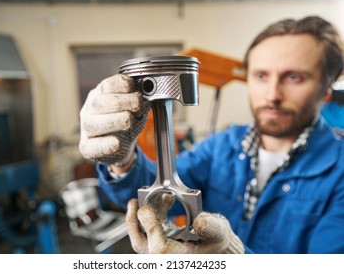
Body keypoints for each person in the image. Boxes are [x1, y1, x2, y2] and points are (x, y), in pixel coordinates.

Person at [79, 15, 344, 254]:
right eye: (261, 75)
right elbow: (156, 192)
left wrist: (233, 258)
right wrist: (122, 160)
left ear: (327, 87)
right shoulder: (222, 146)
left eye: (294, 77)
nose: (272, 94)